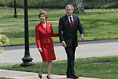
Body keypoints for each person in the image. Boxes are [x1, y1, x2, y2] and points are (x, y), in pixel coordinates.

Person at [59, 5, 84, 79]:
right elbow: (60, 31)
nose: (67, 11)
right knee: (70, 57)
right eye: (66, 10)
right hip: (66, 42)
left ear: (72, 10)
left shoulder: (76, 18)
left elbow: (80, 27)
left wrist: (82, 34)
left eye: (69, 10)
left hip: (74, 41)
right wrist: (62, 40)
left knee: (72, 57)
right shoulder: (62, 19)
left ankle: (68, 73)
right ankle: (73, 74)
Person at [35, 11, 59, 79]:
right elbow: (37, 38)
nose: (41, 18)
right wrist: (39, 47)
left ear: (46, 17)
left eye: (43, 16)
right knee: (45, 60)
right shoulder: (38, 27)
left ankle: (49, 75)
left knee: (50, 60)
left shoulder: (49, 24)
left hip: (50, 44)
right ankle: (40, 71)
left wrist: (59, 34)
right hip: (43, 45)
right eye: (40, 16)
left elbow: (51, 34)